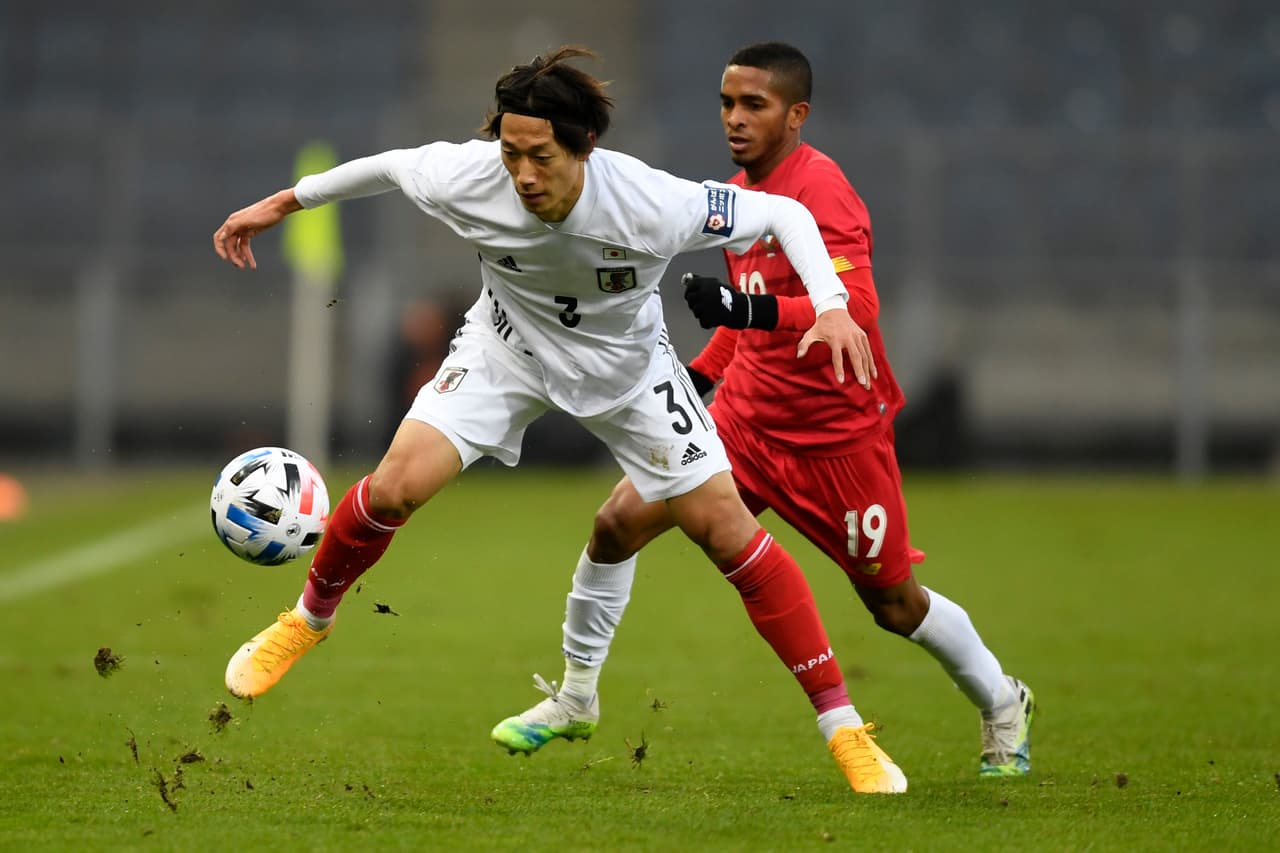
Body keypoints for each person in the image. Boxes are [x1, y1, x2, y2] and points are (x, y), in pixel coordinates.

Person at [211, 46, 906, 794]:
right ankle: (308, 620)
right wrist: (281, 204)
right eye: (511, 153)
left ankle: (844, 728)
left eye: (540, 156)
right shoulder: (470, 176)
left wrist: (831, 306)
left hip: (630, 374)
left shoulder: (651, 202)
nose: (523, 175)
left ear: (584, 148)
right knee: (393, 487)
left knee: (727, 532)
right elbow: (389, 166)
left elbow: (784, 213)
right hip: (505, 352)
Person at [491, 42, 1035, 781]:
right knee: (616, 523)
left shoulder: (822, 191)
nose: (735, 119)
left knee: (895, 605)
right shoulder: (733, 197)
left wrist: (746, 310)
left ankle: (1003, 700)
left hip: (836, 439)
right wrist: (698, 374)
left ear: (796, 114)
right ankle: (576, 695)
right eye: (726, 103)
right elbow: (745, 318)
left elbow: (855, 307)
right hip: (744, 425)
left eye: (755, 105)